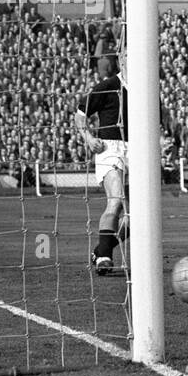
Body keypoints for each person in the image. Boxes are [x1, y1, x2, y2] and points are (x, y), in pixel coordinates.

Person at [74, 54, 127, 275]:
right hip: (110, 148)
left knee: (137, 217)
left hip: (139, 151)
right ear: (122, 60)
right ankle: (104, 257)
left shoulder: (148, 87)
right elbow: (80, 114)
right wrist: (88, 139)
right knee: (116, 201)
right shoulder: (108, 86)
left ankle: (101, 248)